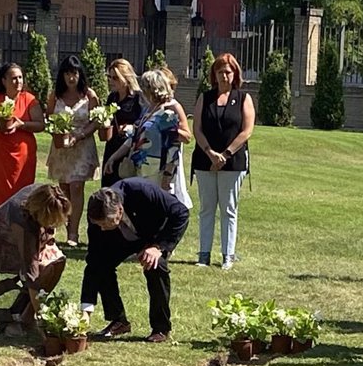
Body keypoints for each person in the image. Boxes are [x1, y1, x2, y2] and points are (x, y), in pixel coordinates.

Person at [80, 179, 189, 343]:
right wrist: (85, 314)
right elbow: (94, 260)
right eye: (99, 224)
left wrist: (158, 247)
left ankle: (161, 328)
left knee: (155, 266)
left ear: (119, 210)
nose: (101, 228)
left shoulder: (142, 191)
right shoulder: (96, 215)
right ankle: (118, 321)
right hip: (122, 237)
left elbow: (181, 213)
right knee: (101, 265)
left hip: (153, 234)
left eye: (105, 223)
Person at [0, 184, 71, 337]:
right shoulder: (23, 222)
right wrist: (44, 321)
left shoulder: (48, 195)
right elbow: (31, 273)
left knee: (56, 262)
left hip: (32, 229)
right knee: (37, 270)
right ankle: (15, 321)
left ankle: (27, 318)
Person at [191, 53, 255, 270]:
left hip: (233, 162)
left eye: (228, 72)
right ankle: (203, 254)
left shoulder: (243, 98)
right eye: (220, 72)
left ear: (235, 73)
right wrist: (210, 153)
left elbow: (246, 131)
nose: (224, 76)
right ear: (214, 75)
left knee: (229, 209)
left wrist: (225, 155)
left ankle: (228, 255)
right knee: (207, 208)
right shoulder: (205, 98)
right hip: (204, 161)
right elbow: (197, 129)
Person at [46, 55, 100, 247]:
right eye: (68, 73)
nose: (71, 78)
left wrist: (80, 135)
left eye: (74, 73)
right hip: (62, 149)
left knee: (77, 186)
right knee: (64, 190)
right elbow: (49, 119)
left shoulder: (89, 95)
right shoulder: (55, 96)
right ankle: (67, 225)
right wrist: (58, 133)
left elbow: (96, 121)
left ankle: (74, 233)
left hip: (82, 146)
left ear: (80, 75)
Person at [0, 62, 46, 209]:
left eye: (20, 77)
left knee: (22, 192)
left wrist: (21, 124)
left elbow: (40, 125)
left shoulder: (30, 100)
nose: (18, 82)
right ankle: (0, 222)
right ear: (4, 81)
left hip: (23, 156)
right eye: (14, 78)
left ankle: (20, 227)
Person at [103, 70, 181, 190]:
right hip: (139, 170)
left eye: (144, 87)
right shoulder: (147, 112)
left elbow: (173, 148)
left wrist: (167, 176)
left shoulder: (167, 115)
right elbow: (132, 139)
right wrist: (113, 158)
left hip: (156, 173)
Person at [101, 59, 142, 187]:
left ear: (125, 78)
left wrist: (131, 127)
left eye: (115, 78)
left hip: (129, 147)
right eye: (109, 77)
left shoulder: (137, 98)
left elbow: (143, 121)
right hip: (112, 144)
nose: (111, 81)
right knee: (108, 187)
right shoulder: (112, 98)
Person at [157, 66, 193, 209]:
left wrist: (170, 130)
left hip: (169, 160)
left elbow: (187, 136)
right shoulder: (149, 104)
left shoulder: (174, 106)